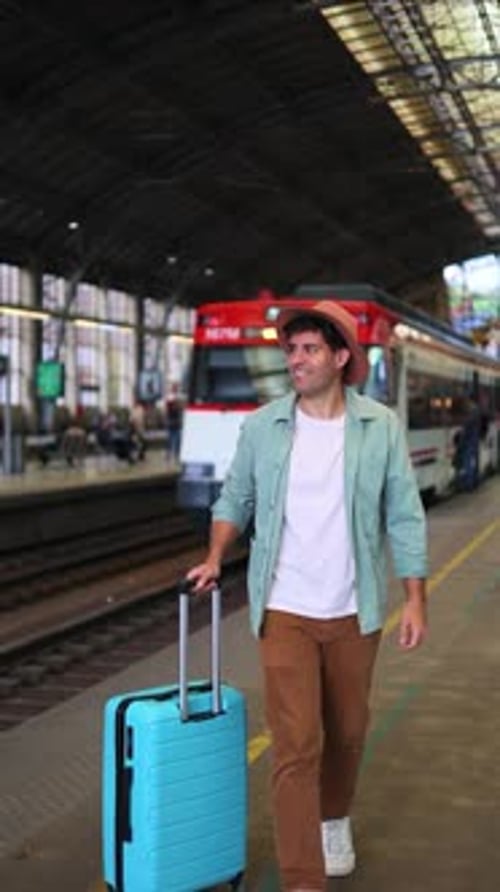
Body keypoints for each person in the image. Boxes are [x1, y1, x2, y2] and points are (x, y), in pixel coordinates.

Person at [187, 301, 428, 892]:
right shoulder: (264, 426)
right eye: (290, 350)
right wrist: (217, 556)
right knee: (296, 745)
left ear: (340, 357)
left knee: (346, 733)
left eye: (309, 349)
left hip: (355, 609)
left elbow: (404, 516)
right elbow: (233, 499)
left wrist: (416, 598)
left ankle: (334, 817)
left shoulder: (379, 427)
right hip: (285, 609)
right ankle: (303, 879)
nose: (295, 359)